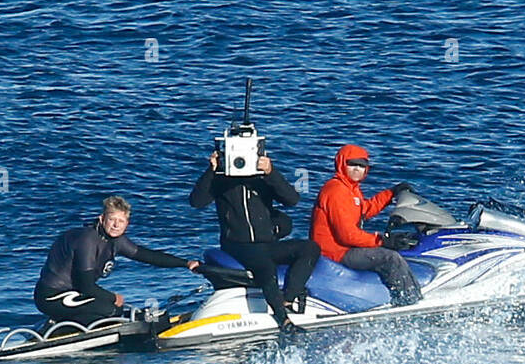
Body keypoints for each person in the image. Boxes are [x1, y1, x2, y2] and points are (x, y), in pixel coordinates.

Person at [189, 143, 320, 334]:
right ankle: (283, 320)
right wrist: (212, 170)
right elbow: (196, 201)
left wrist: (270, 172)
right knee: (265, 265)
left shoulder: (262, 178)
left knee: (310, 248)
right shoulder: (221, 179)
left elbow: (292, 199)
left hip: (266, 243)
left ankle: (288, 299)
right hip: (237, 245)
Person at [33, 196, 200, 326]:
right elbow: (86, 285)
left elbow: (147, 255)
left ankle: (71, 321)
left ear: (127, 224)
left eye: (121, 221)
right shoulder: (88, 239)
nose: (115, 225)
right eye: (112, 219)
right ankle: (60, 328)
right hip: (51, 296)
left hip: (74, 294)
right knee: (111, 309)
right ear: (102, 218)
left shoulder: (116, 241)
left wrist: (185, 263)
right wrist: (113, 297)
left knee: (114, 309)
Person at [311, 145, 422, 306]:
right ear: (341, 164)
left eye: (361, 165)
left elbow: (365, 210)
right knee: (390, 258)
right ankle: (409, 301)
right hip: (335, 252)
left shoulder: (351, 189)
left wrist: (391, 193)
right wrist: (383, 241)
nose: (357, 169)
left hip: (344, 248)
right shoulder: (336, 191)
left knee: (396, 250)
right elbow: (347, 235)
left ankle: (406, 293)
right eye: (352, 164)